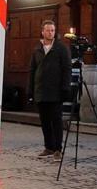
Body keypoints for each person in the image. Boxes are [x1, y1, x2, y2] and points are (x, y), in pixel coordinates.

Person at [28, 19, 71, 158]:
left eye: (52, 30)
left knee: (56, 121)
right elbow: (32, 71)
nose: (50, 32)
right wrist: (30, 90)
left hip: (56, 92)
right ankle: (49, 147)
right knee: (45, 121)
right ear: (42, 32)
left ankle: (58, 149)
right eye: (48, 30)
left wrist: (65, 88)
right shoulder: (37, 49)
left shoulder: (61, 48)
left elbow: (67, 69)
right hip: (41, 91)